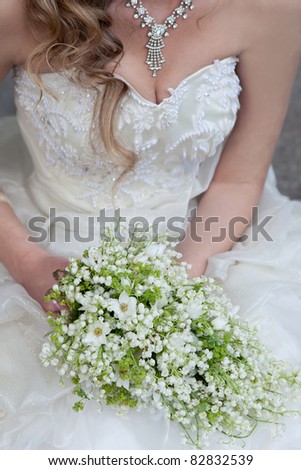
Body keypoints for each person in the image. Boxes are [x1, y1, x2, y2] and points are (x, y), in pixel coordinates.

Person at [0, 0, 300, 450]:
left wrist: (175, 286)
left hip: (204, 238)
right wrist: (27, 263)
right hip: (37, 239)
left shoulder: (272, 8)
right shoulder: (19, 9)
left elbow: (239, 177)